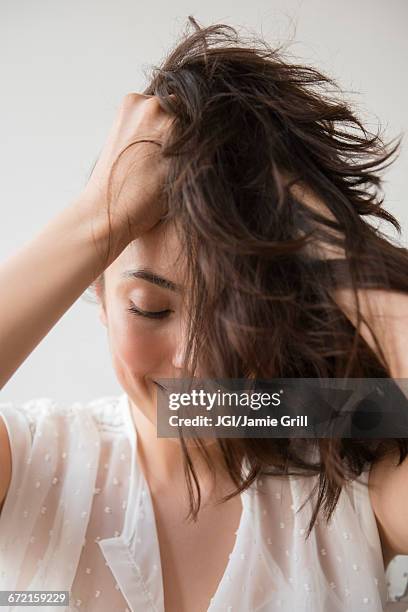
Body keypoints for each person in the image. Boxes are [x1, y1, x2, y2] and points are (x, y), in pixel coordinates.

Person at [0, 16, 408, 612]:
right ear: (96, 293)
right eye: (152, 308)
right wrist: (98, 216)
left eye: (233, 308)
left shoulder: (355, 483)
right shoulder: (37, 459)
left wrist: (323, 235)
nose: (196, 356)